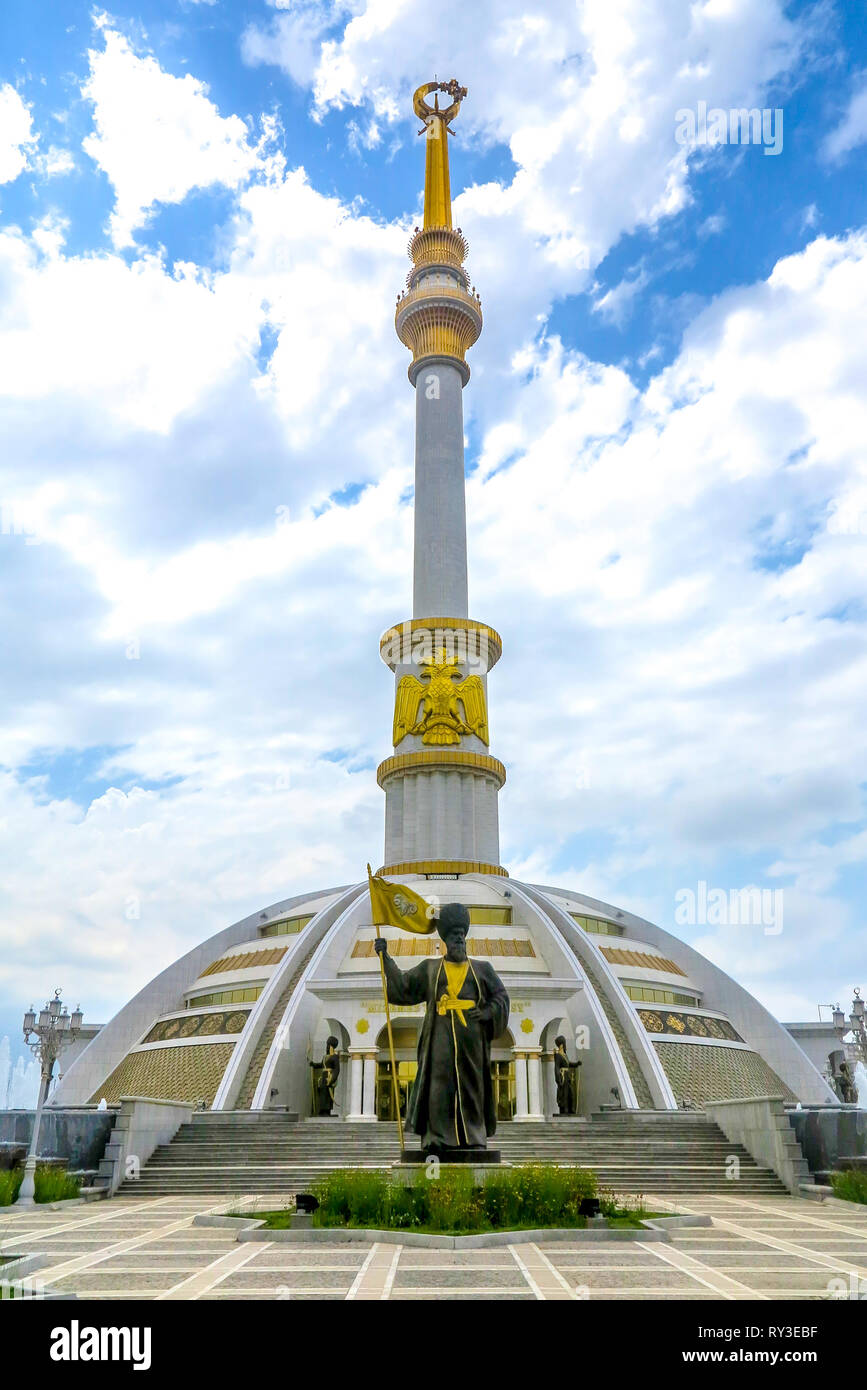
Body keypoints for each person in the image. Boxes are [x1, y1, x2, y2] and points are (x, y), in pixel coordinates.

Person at [374, 902, 509, 1152]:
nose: (458, 939)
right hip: (440, 1039)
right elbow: (403, 986)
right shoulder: (430, 968)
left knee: (472, 1087)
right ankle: (437, 1138)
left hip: (471, 1040)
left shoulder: (482, 969)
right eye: (453, 935)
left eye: (461, 935)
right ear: (445, 940)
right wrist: (386, 959)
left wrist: (488, 1012)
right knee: (439, 1087)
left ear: (466, 937)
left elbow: (501, 996)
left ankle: (473, 1138)